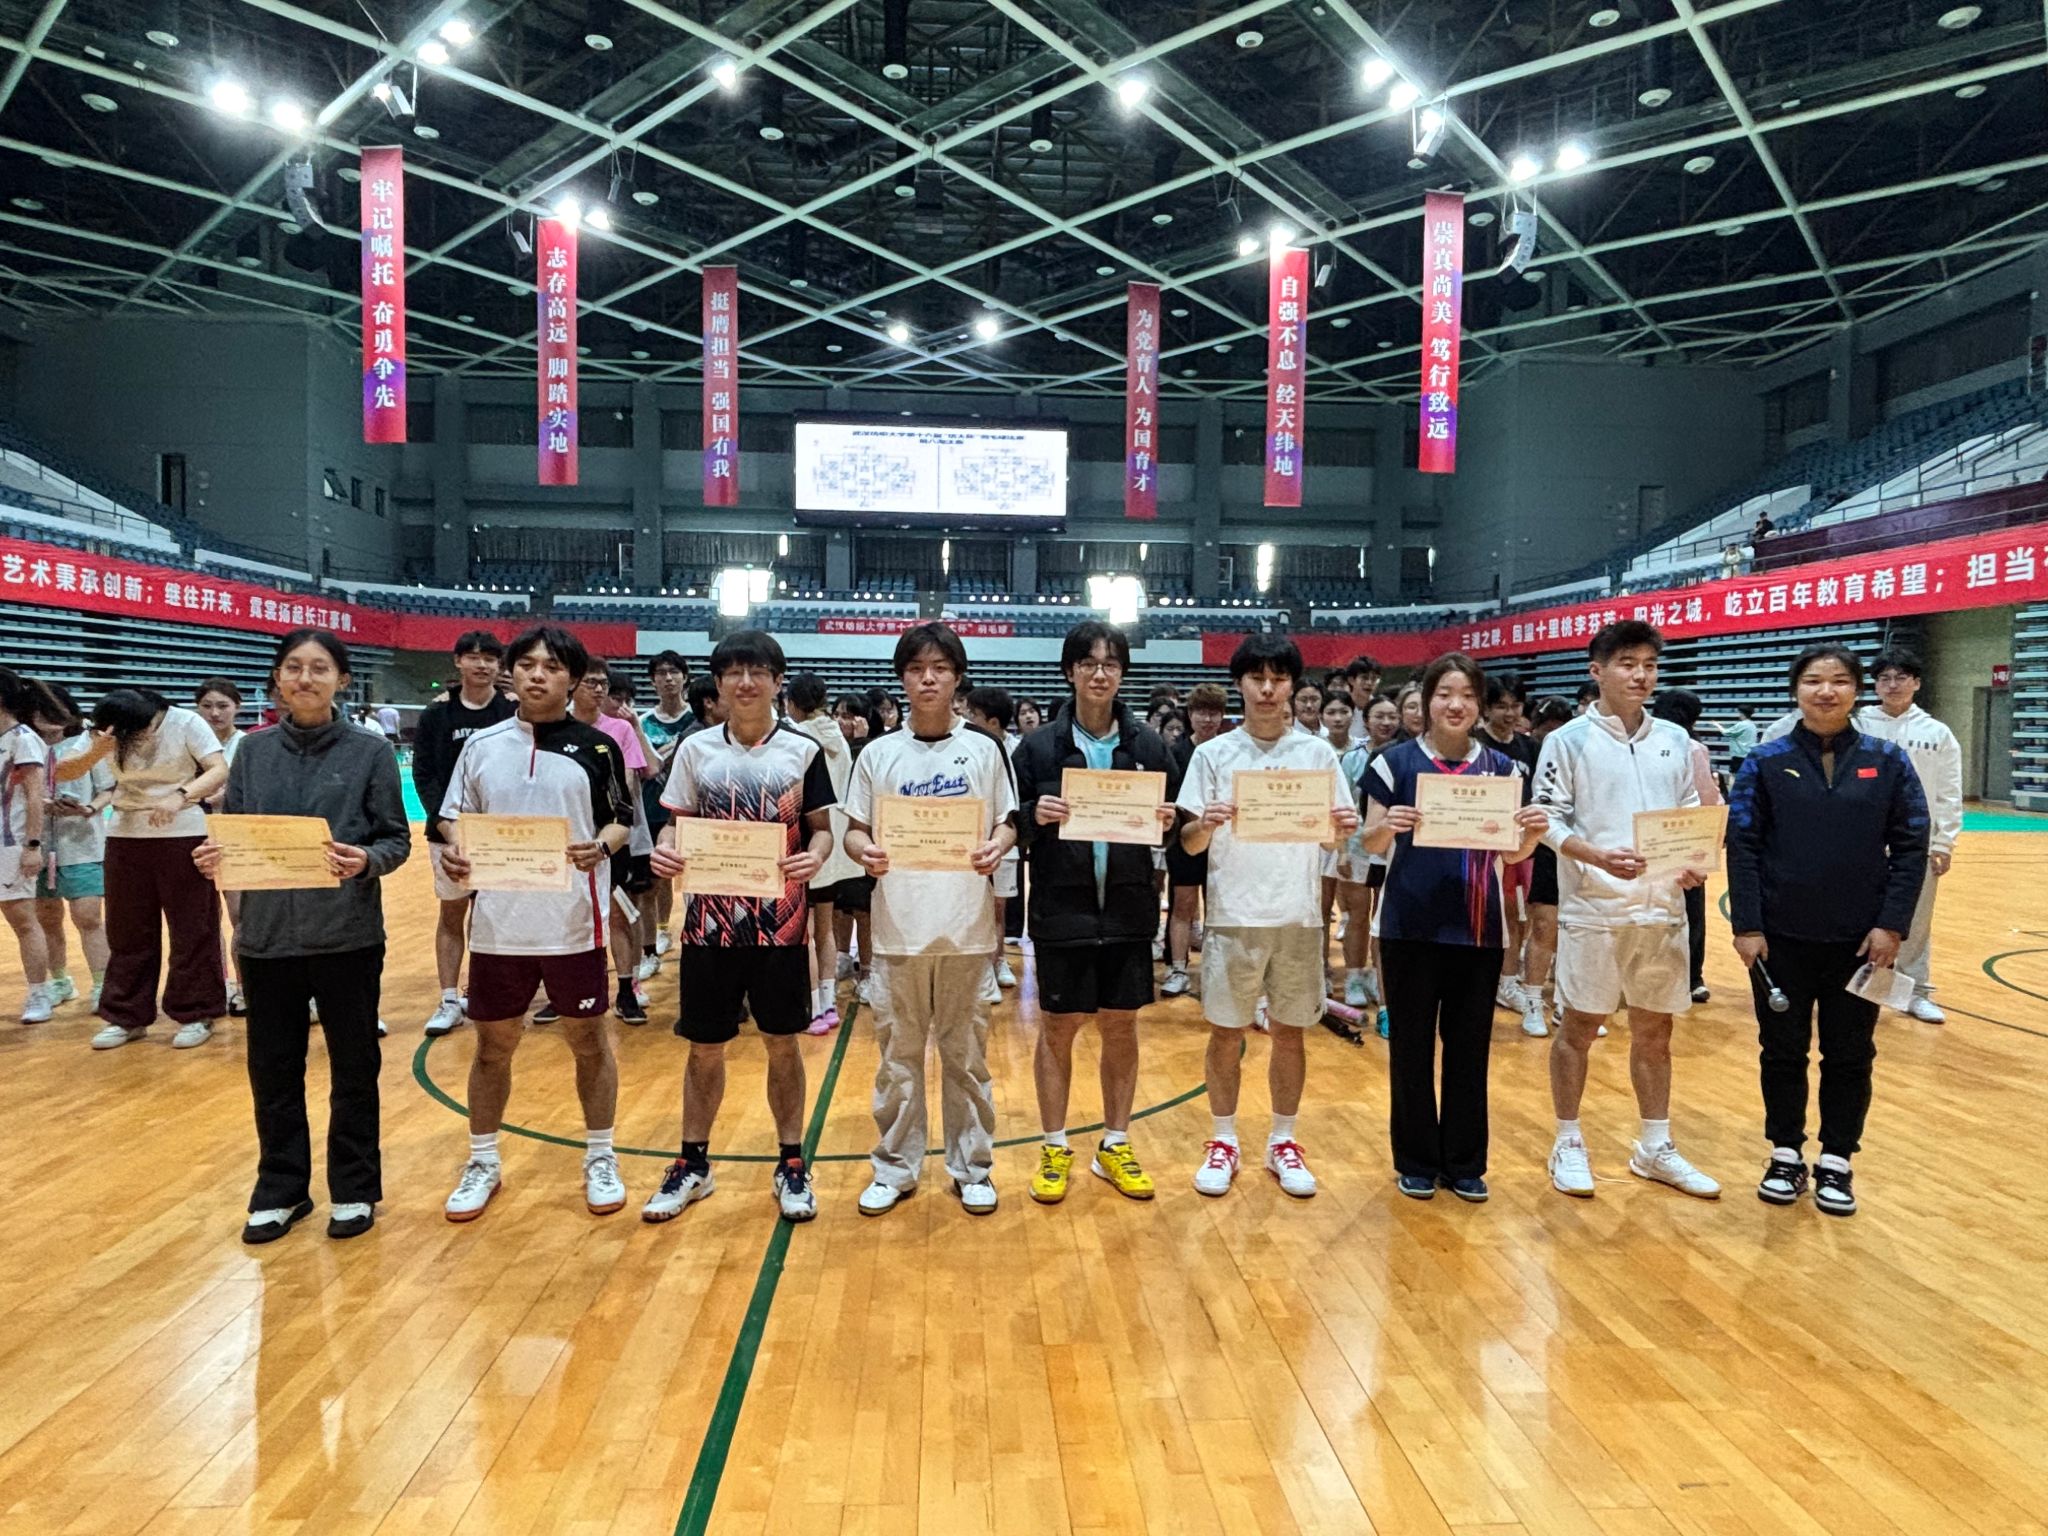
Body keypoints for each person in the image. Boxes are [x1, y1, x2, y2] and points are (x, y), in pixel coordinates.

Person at [192, 629, 410, 1243]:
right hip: (266, 940)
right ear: (278, 679)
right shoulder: (252, 753)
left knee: (355, 1067)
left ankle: (355, 1187)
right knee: (273, 1070)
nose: (305, 679)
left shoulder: (371, 751)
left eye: (319, 668)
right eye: (293, 668)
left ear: (342, 679)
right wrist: (215, 856)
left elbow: (395, 839)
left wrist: (365, 860)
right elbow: (237, 833)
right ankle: (281, 1190)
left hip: (347, 936)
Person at [435, 625, 635, 1223]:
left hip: (574, 923)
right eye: (527, 665)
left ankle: (601, 1154)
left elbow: (621, 819)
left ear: (572, 679)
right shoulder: (482, 746)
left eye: (551, 666)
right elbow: (453, 816)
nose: (537, 675)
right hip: (499, 926)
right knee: (492, 1047)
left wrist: (601, 847)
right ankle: (482, 1161)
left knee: (589, 1042)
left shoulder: (599, 748)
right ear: (511, 673)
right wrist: (457, 846)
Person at [1727, 644, 1928, 1217]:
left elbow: (1911, 845)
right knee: (1781, 1051)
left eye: (1839, 680)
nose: (1826, 691)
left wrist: (1891, 924)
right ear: (1796, 690)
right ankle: (1785, 1153)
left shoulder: (1889, 761)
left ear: (1856, 690)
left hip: (1860, 941)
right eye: (1813, 680)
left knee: (1850, 1054)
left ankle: (1837, 1159)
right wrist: (1748, 925)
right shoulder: (1765, 761)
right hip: (1780, 938)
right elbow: (1742, 845)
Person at [647, 629, 834, 1225]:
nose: (745, 682)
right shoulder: (696, 750)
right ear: (719, 684)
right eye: (733, 672)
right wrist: (666, 848)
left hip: (780, 925)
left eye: (757, 672)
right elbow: (674, 823)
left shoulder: (803, 751)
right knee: (704, 1047)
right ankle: (693, 1163)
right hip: (709, 925)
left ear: (778, 682)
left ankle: (792, 1163)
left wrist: (816, 857)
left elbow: (821, 829)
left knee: (782, 1042)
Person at [1533, 621, 1720, 1201]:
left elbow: (1687, 812)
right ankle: (1568, 1140)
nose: (1641, 676)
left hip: (1661, 910)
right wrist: (1594, 856)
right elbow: (1545, 819)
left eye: (1650, 665)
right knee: (1578, 1028)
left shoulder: (1674, 740)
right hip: (1593, 908)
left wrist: (1691, 863)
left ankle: (1655, 1146)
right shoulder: (1567, 741)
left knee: (1655, 1031)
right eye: (1627, 664)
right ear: (1597, 671)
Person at [843, 623, 1017, 1215]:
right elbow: (855, 830)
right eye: (917, 669)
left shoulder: (984, 750)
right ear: (902, 679)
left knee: (966, 1059)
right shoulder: (877, 754)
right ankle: (894, 1166)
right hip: (897, 932)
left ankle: (973, 1167)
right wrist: (863, 851)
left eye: (940, 668)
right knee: (898, 1060)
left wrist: (998, 844)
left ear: (957, 678)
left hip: (966, 931)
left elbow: (1007, 821)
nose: (928, 679)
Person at [1176, 634, 1357, 1199]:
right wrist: (1206, 823)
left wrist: (1341, 830)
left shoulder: (1318, 756)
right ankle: (1223, 1139)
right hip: (1233, 915)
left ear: (1293, 686)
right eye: (1257, 678)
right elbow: (1188, 843)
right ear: (1240, 684)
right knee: (1225, 1033)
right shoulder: (1213, 755)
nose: (1268, 688)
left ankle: (1283, 1140)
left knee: (1290, 1033)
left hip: (1299, 916)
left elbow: (1332, 841)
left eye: (1279, 678)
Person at [1361, 654, 1547, 1201]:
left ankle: (1465, 1162)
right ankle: (1416, 1160)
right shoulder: (1392, 764)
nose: (1455, 704)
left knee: (1469, 1049)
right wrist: (1389, 828)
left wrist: (1531, 837)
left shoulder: (1504, 769)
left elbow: (1511, 852)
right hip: (1408, 924)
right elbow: (1368, 841)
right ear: (1426, 700)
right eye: (1444, 693)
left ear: (1480, 704)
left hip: (1478, 928)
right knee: (1411, 1048)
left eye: (1467, 695)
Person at [1012, 620, 1179, 1205]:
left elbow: (1174, 824)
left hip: (1129, 909)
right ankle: (1054, 1145)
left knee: (1121, 1024)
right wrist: (1035, 815)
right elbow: (1012, 824)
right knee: (1058, 1027)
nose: (1099, 673)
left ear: (1122, 673)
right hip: (1063, 909)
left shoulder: (1149, 746)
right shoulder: (1037, 747)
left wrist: (1168, 822)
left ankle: (1115, 1143)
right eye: (1088, 663)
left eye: (1110, 663)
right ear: (1070, 672)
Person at [1761, 652, 1960, 1024]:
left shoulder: (1937, 733)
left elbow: (1950, 790)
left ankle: (1916, 992)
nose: (1893, 685)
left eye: (1902, 677)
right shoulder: (1855, 722)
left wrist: (1944, 840)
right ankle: (1853, 992)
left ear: (1917, 683)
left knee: (1912, 921)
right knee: (1854, 922)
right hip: (1857, 838)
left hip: (1913, 841)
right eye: (1885, 678)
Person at [77, 688, 229, 1049]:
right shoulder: (109, 730)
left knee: (193, 927)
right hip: (125, 835)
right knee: (126, 930)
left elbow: (218, 769)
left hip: (184, 832)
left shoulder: (186, 722)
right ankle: (126, 1015)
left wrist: (181, 795)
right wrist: (95, 750)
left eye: (145, 729)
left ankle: (197, 1012)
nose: (142, 738)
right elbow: (66, 769)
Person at [410, 631, 515, 1039]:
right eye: (473, 657)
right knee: (452, 913)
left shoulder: (511, 710)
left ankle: (482, 992)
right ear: (458, 662)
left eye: (490, 658)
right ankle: (449, 999)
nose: (482, 664)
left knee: (492, 915)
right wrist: (448, 826)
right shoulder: (437, 714)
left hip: (498, 835)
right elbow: (425, 775)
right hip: (447, 834)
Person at [570, 657, 655, 1026]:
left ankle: (626, 988)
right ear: (573, 684)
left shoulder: (619, 729)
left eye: (602, 683)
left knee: (619, 914)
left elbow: (631, 781)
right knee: (571, 915)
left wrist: (611, 827)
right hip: (567, 840)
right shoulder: (555, 728)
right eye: (590, 682)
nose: (599, 689)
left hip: (611, 838)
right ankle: (569, 989)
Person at [784, 672, 860, 1033]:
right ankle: (828, 1004)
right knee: (826, 930)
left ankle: (812, 1007)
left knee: (805, 933)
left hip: (807, 843)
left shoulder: (795, 738)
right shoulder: (839, 738)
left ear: (792, 703)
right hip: (833, 848)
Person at [30, 683, 112, 1013]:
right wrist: (41, 805)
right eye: (39, 711)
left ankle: (103, 984)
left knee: (87, 916)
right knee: (47, 919)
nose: (46, 718)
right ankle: (60, 982)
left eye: (53, 710)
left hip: (82, 845)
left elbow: (108, 789)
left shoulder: (87, 745)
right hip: (37, 847)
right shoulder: (25, 745)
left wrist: (90, 808)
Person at [1650, 690, 1723, 1004]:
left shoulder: (1639, 743)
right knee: (1691, 909)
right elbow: (1708, 798)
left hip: (1649, 835)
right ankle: (1692, 979)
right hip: (1687, 836)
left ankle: (1648, 976)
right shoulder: (1693, 747)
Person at [1162, 682, 1228, 998]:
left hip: (1223, 844)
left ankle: (1216, 969)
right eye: (1201, 712)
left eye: (1214, 713)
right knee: (1183, 904)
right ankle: (1177, 969)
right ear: (1190, 714)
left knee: (1218, 906)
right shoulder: (1176, 753)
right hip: (1185, 840)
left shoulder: (1229, 752)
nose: (1207, 719)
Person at [1516, 695, 1576, 1036]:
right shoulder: (1528, 751)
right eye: (1545, 729)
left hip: (1582, 847)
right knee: (1543, 926)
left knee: (1574, 929)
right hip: (1545, 846)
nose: (1551, 734)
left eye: (1558, 727)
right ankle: (1532, 1001)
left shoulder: (1581, 748)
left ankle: (1566, 999)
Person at [0, 668, 57, 1024]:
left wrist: (33, 845)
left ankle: (39, 993)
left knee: (22, 919)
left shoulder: (23, 739)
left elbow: (36, 796)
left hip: (11, 843)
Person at [193, 678, 249, 1014]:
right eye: (207, 706)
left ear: (236, 708)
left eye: (222, 706)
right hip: (191, 838)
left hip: (235, 838)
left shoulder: (248, 745)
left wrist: (228, 795)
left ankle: (244, 987)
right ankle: (214, 987)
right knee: (202, 921)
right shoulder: (189, 744)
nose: (215, 713)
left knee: (241, 916)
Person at [963, 686, 1021, 1002]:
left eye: (973, 714)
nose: (966, 717)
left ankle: (998, 962)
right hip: (969, 842)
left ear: (993, 721)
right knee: (976, 907)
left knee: (998, 908)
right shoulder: (967, 746)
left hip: (1001, 842)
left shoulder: (1013, 749)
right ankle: (981, 968)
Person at [641, 651, 693, 966]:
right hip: (654, 806)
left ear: (685, 677)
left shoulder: (696, 718)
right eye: (661, 673)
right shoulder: (643, 722)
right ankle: (661, 930)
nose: (668, 678)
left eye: (674, 672)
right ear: (653, 680)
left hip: (690, 809)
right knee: (657, 877)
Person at [1317, 688, 1367, 1004]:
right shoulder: (1313, 749)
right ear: (1322, 717)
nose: (1337, 718)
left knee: (1355, 911)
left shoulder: (1362, 750)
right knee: (1321, 910)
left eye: (1343, 712)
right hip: (1319, 839)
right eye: (1331, 712)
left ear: (1353, 714)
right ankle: (1320, 970)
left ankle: (1355, 976)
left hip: (1355, 839)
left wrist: (1347, 845)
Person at [1718, 701, 1759, 774]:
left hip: (1739, 756)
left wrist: (1717, 725)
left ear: (1742, 713)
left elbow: (1726, 732)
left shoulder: (1742, 724)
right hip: (1748, 755)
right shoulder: (1753, 725)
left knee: (1734, 775)